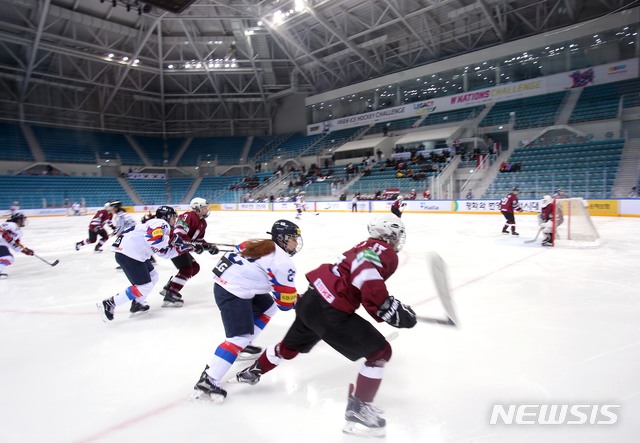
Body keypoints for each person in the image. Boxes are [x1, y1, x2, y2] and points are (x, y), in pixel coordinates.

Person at [234, 215, 416, 437]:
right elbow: (366, 271)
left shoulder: (364, 245)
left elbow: (359, 269)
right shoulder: (382, 250)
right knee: (380, 352)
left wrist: (387, 305)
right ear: (390, 233)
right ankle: (360, 411)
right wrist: (385, 306)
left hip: (311, 300)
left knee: (288, 348)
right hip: (332, 311)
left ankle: (254, 371)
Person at [192, 220, 303, 403]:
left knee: (269, 306)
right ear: (282, 239)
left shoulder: (254, 244)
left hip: (232, 285)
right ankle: (209, 379)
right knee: (238, 338)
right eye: (293, 238)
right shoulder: (283, 262)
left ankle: (244, 344)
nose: (296, 243)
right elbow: (285, 304)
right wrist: (301, 302)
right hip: (234, 292)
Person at [96, 206, 192, 322]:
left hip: (133, 253)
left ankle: (137, 303)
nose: (174, 220)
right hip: (129, 253)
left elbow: (164, 253)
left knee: (153, 276)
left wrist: (183, 249)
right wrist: (172, 241)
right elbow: (153, 239)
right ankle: (110, 303)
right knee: (144, 287)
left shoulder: (162, 228)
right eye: (173, 217)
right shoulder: (160, 222)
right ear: (167, 217)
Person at [160, 197, 219, 308]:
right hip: (174, 245)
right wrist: (193, 246)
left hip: (183, 247)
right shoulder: (188, 216)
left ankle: (170, 286)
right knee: (187, 269)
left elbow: (198, 240)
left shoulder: (203, 222)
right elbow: (179, 233)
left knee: (194, 267)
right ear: (197, 208)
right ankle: (171, 293)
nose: (207, 209)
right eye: (204, 207)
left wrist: (209, 247)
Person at [0, 213, 35, 278]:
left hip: (2, 245)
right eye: (23, 220)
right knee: (7, 257)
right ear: (18, 220)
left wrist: (25, 251)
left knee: (9, 259)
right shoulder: (10, 224)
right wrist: (5, 234)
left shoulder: (19, 232)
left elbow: (15, 244)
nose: (24, 221)